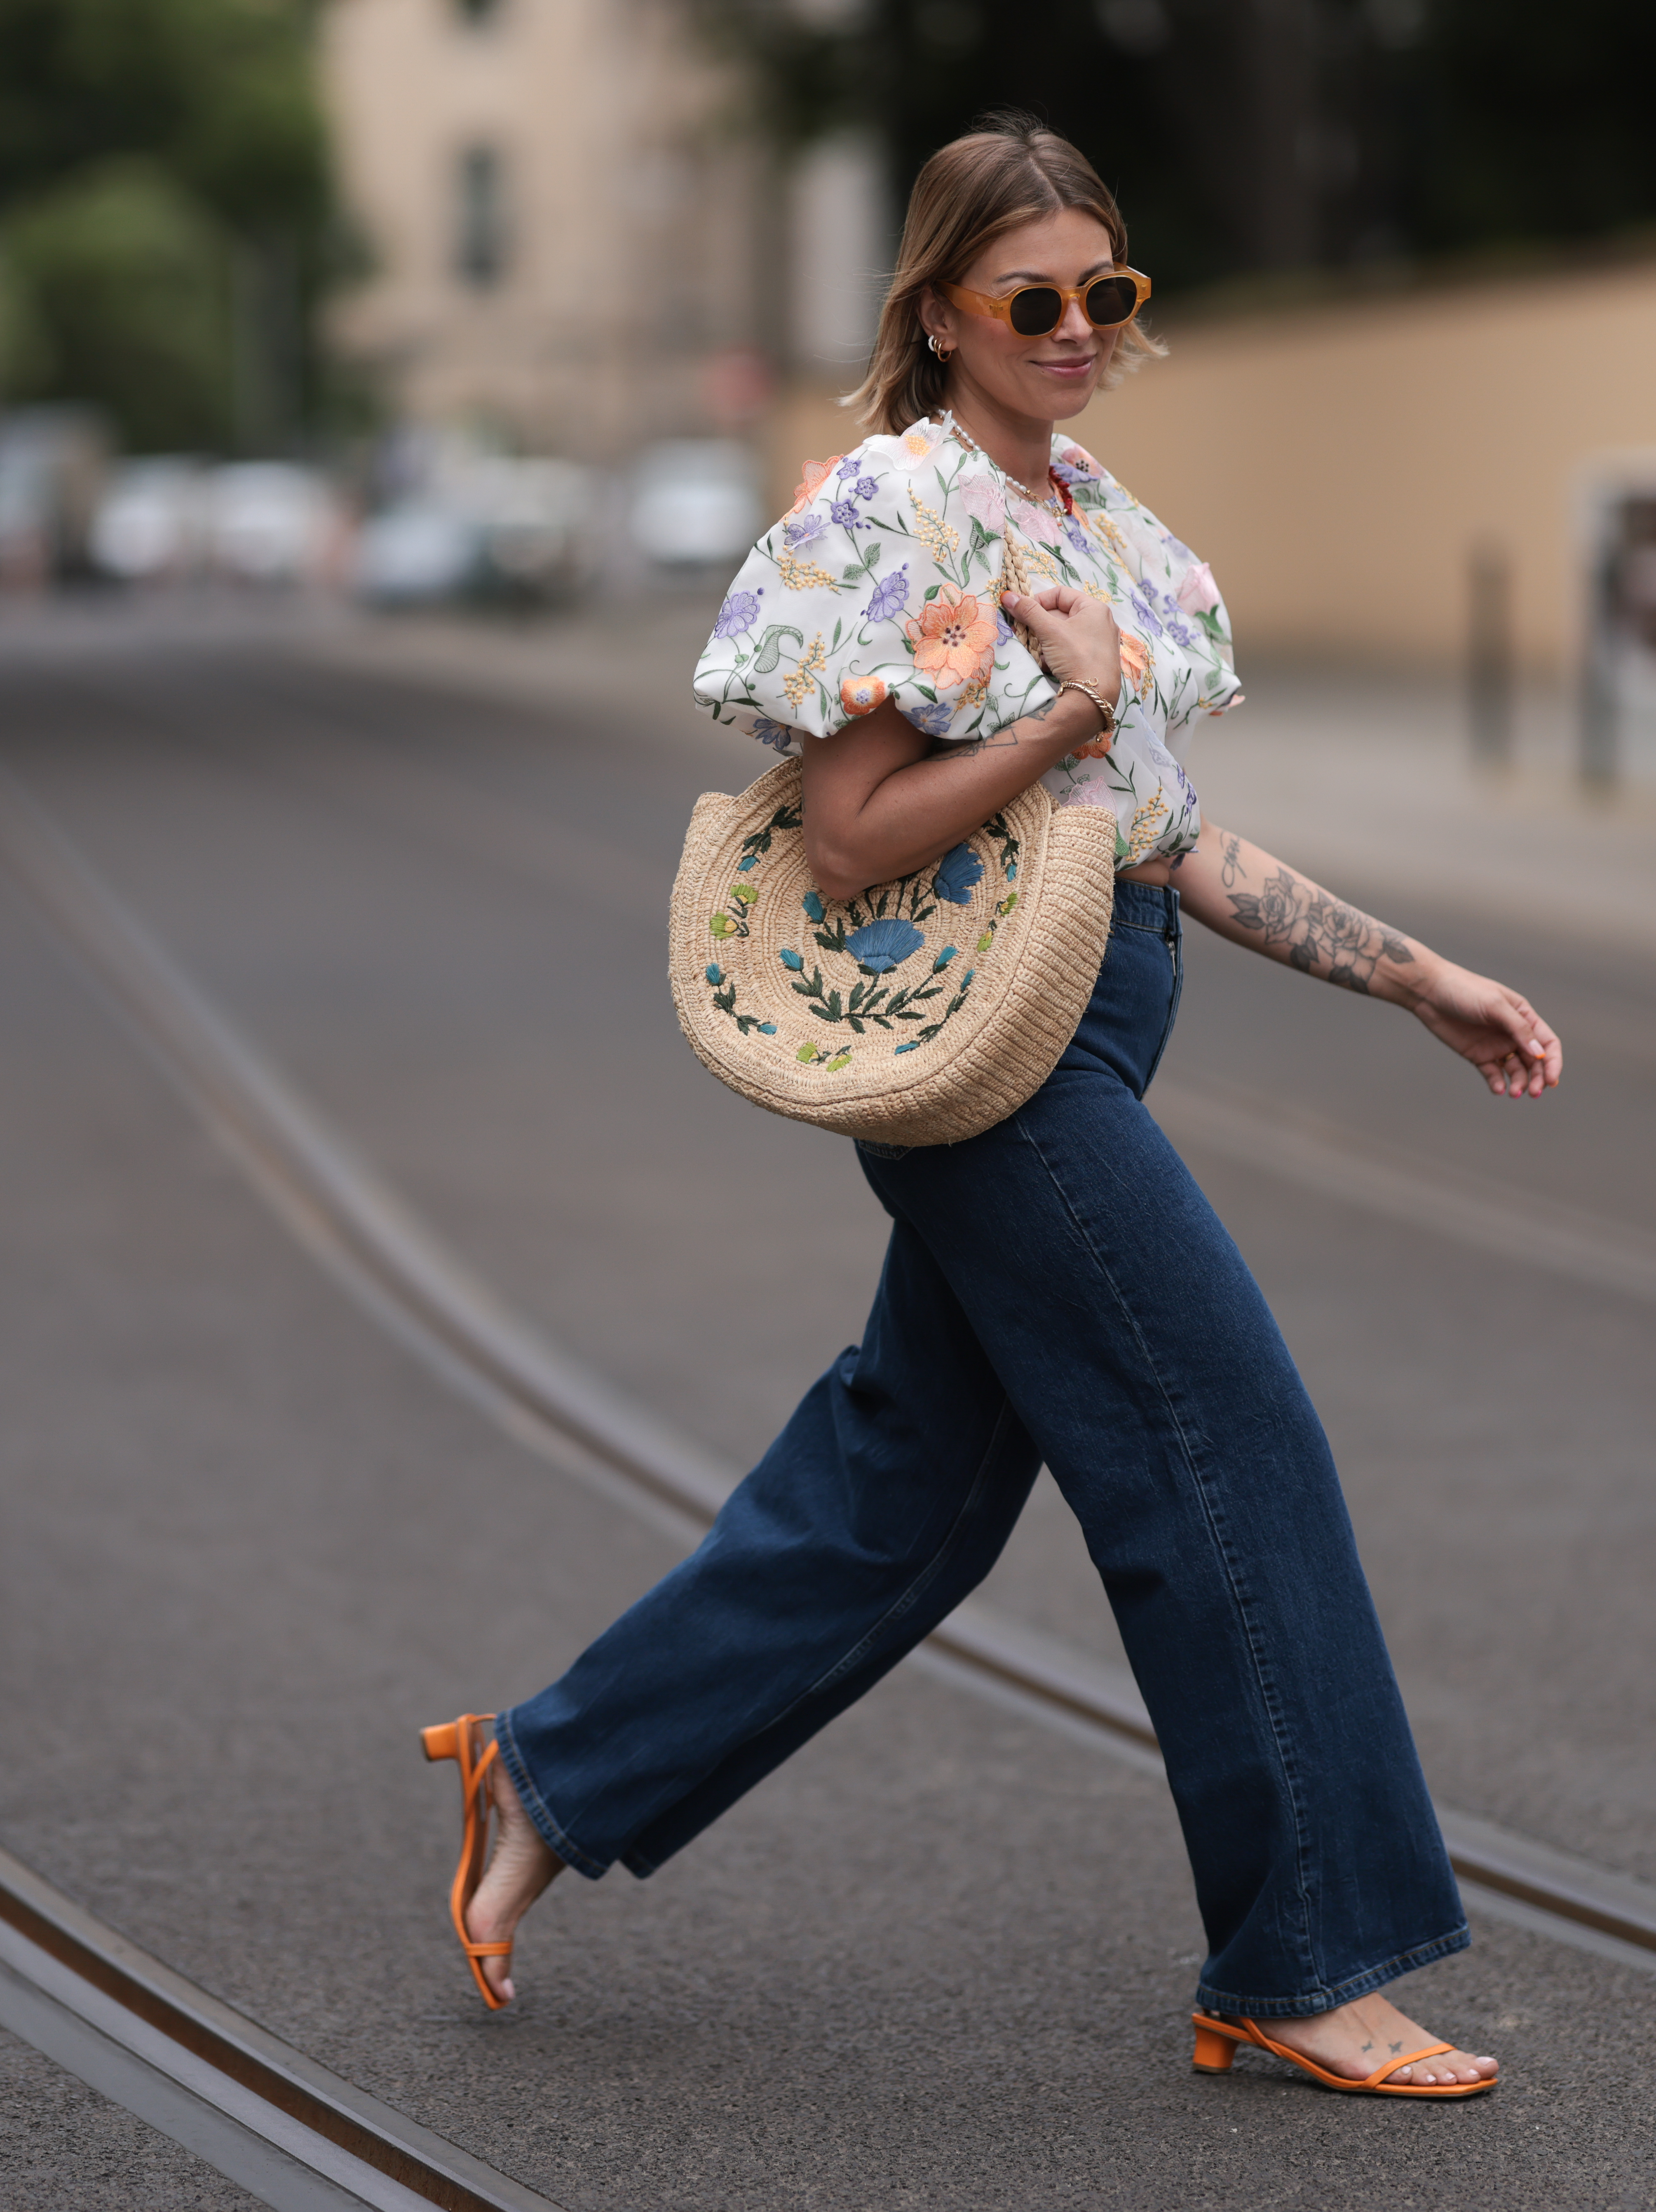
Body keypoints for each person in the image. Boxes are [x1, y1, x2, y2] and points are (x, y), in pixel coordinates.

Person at [421, 115, 1558, 2101]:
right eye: (1028, 300)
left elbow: (1165, 839)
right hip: (987, 1063)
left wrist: (1413, 976)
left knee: (907, 1491)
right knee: (1226, 1439)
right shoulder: (898, 512)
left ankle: (550, 1767)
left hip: (1092, 1034)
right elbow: (852, 835)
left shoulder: (1096, 522)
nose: (1074, 329)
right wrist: (1062, 708)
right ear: (940, 311)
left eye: (1102, 292)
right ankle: (1303, 1959)